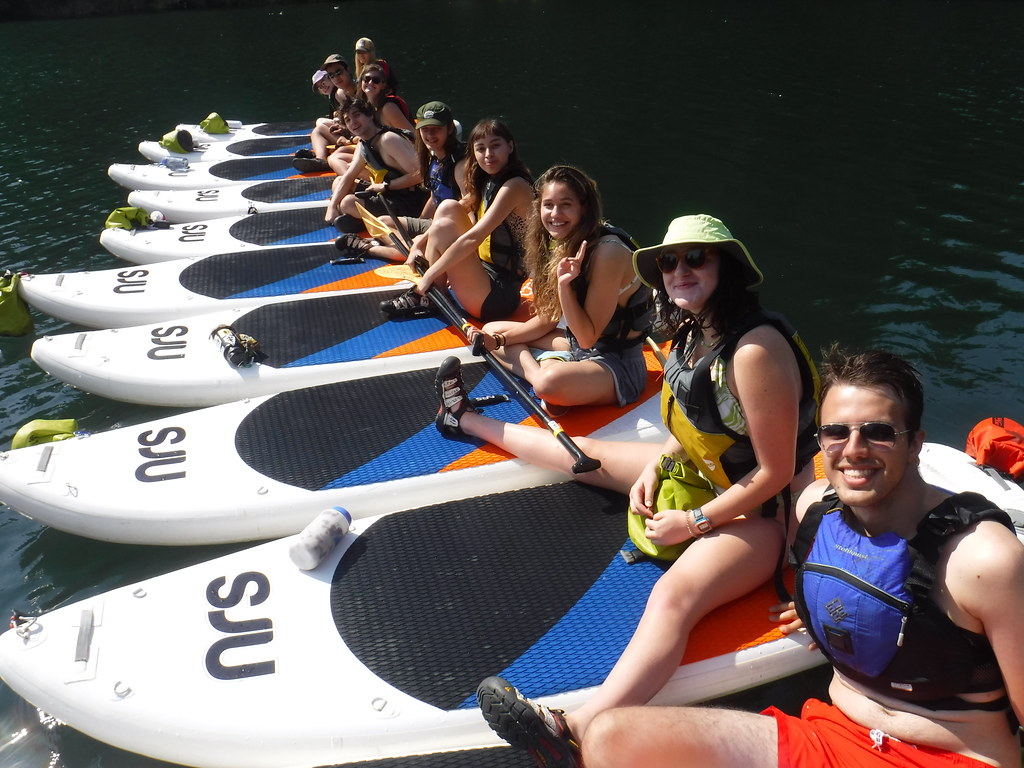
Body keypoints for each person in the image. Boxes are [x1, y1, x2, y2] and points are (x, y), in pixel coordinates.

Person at [448, 214, 819, 767]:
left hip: (764, 513)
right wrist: (657, 466)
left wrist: (695, 524)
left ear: (728, 267)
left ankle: (572, 730)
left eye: (697, 258)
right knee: (582, 457)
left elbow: (773, 468)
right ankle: (464, 421)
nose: (679, 270)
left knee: (674, 597)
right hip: (705, 475)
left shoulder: (754, 350)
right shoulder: (696, 334)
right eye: (669, 261)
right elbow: (697, 427)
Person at [581, 348, 1024, 768]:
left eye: (879, 432)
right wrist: (826, 606)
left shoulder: (983, 559)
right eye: (836, 432)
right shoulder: (814, 509)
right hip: (831, 736)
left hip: (952, 754)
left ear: (915, 445)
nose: (854, 449)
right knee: (609, 738)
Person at [466, 165, 652, 412]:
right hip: (574, 345)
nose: (555, 214)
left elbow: (587, 338)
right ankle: (548, 371)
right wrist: (497, 340)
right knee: (492, 330)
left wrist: (565, 286)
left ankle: (548, 379)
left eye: (566, 204)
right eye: (548, 205)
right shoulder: (565, 242)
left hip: (616, 364)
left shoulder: (609, 252)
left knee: (548, 384)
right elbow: (549, 320)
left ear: (583, 208)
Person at [381, 118, 533, 322]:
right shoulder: (487, 179)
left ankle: (427, 290)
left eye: (495, 146)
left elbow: (474, 238)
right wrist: (420, 241)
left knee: (445, 225)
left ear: (510, 146)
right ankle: (434, 293)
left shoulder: (514, 186)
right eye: (481, 149)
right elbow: (452, 211)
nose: (488, 155)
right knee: (447, 207)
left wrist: (430, 274)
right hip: (484, 275)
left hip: (497, 297)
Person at [337, 101, 468, 263]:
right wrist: (419, 222)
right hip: (434, 221)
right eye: (425, 130)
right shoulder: (435, 159)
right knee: (383, 221)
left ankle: (372, 249)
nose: (430, 135)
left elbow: (469, 209)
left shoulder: (460, 164)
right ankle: (404, 248)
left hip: (450, 226)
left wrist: (423, 237)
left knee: (413, 242)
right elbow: (435, 195)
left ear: (449, 129)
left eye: (436, 129)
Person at [325, 99, 426, 233]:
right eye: (348, 120)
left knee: (348, 203)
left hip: (413, 201)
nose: (353, 122)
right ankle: (359, 220)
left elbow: (421, 174)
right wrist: (331, 207)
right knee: (338, 183)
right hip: (391, 193)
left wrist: (387, 186)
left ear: (370, 115)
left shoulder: (388, 139)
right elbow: (349, 176)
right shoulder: (364, 142)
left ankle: (360, 222)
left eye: (357, 115)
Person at [294, 54, 359, 174]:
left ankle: (324, 160)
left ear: (348, 70)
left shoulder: (360, 91)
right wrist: (342, 127)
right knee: (318, 130)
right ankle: (321, 160)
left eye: (339, 72)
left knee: (335, 156)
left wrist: (348, 139)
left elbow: (367, 126)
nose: (336, 78)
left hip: (362, 142)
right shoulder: (339, 93)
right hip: (354, 137)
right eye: (332, 75)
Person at [359, 62, 413, 133]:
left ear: (383, 85)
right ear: (361, 81)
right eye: (367, 79)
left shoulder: (388, 108)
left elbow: (412, 134)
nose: (370, 82)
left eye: (376, 80)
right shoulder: (367, 108)